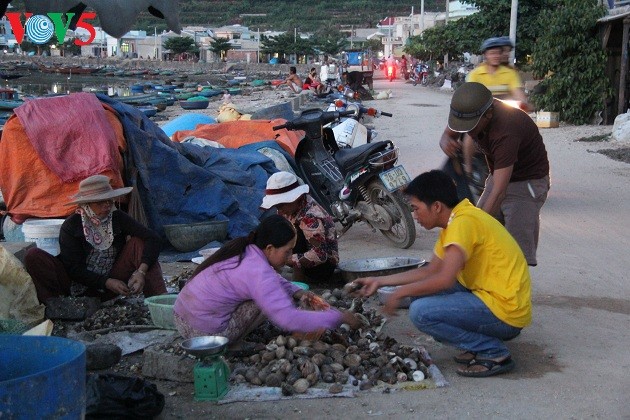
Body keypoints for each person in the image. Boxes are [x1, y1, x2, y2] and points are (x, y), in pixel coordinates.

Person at [355, 170, 531, 378]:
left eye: (416, 208)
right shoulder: (456, 220)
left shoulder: (463, 223)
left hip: (507, 313)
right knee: (420, 295)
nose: (414, 215)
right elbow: (431, 270)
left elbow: (443, 279)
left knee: (421, 312)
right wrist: (380, 281)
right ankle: (476, 344)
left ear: (436, 206)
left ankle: (492, 351)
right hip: (490, 297)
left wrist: (398, 294)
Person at [173, 215, 359, 353]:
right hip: (204, 335)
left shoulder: (247, 250)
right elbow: (288, 318)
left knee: (271, 292)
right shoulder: (259, 272)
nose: (289, 257)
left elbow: (272, 278)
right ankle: (232, 345)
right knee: (265, 300)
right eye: (287, 252)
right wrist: (338, 317)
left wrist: (297, 292)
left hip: (181, 319)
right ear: (270, 248)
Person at [440, 82, 550, 266]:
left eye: (472, 126)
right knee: (484, 232)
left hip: (527, 182)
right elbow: (448, 134)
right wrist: (445, 140)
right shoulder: (472, 112)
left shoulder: (506, 130)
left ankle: (515, 292)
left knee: (515, 251)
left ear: (488, 114)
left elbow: (499, 190)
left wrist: (475, 228)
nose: (468, 131)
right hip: (498, 173)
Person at [24, 175, 166, 303]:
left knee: (138, 243)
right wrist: (106, 282)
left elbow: (153, 238)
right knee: (34, 256)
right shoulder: (71, 226)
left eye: (109, 201)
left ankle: (160, 301)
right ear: (86, 205)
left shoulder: (117, 217)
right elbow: (73, 269)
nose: (107, 206)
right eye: (99, 202)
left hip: (114, 283)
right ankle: (55, 305)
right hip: (76, 287)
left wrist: (141, 271)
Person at [260, 171, 339, 282]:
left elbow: (320, 255)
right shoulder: (291, 209)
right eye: (277, 206)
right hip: (304, 254)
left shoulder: (310, 217)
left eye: (281, 205)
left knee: (291, 231)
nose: (279, 209)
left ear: (296, 198)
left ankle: (301, 277)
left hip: (322, 267)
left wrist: (284, 259)